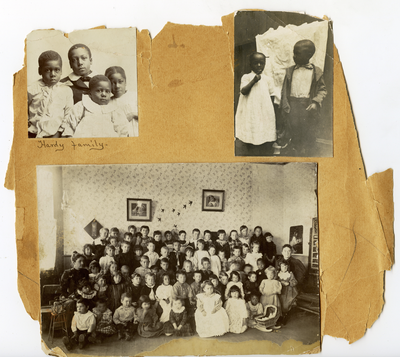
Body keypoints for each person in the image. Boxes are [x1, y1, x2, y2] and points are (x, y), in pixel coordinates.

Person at [280, 39, 327, 156]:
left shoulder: (316, 71)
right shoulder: (290, 71)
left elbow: (322, 90)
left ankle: (308, 154)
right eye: (294, 53)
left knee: (308, 132)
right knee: (293, 130)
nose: (294, 56)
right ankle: (294, 151)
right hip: (292, 106)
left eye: (297, 53)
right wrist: (285, 105)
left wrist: (316, 102)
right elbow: (284, 90)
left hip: (307, 106)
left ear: (309, 55)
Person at [235, 52, 278, 155]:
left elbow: (272, 95)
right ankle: (250, 146)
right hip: (250, 108)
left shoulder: (268, 79)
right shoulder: (246, 77)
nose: (259, 65)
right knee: (251, 125)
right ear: (250, 64)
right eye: (255, 63)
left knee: (263, 126)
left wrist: (269, 111)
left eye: (261, 63)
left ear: (264, 64)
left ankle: (263, 146)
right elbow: (243, 91)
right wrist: (253, 81)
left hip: (264, 109)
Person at [61, 75, 130, 138]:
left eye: (107, 91)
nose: (103, 94)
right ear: (90, 92)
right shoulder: (82, 106)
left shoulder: (114, 109)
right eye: (99, 91)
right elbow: (70, 126)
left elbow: (122, 129)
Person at [28, 50, 73, 138]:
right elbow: (22, 109)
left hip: (55, 134)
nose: (53, 74)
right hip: (32, 133)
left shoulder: (66, 90)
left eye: (56, 70)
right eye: (48, 70)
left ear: (61, 71)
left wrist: (59, 132)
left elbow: (68, 113)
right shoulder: (31, 88)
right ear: (40, 71)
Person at [59, 252, 89, 332]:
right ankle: (70, 331)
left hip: (82, 296)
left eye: (83, 261)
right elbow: (63, 290)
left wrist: (86, 289)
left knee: (88, 302)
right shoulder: (67, 273)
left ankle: (85, 331)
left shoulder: (85, 272)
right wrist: (71, 296)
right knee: (72, 304)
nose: (82, 263)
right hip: (69, 297)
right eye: (80, 261)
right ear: (73, 262)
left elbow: (87, 285)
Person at [105, 66, 138, 137]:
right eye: (113, 83)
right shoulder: (108, 103)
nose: (117, 86)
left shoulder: (135, 96)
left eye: (120, 82)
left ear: (125, 82)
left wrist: (133, 114)